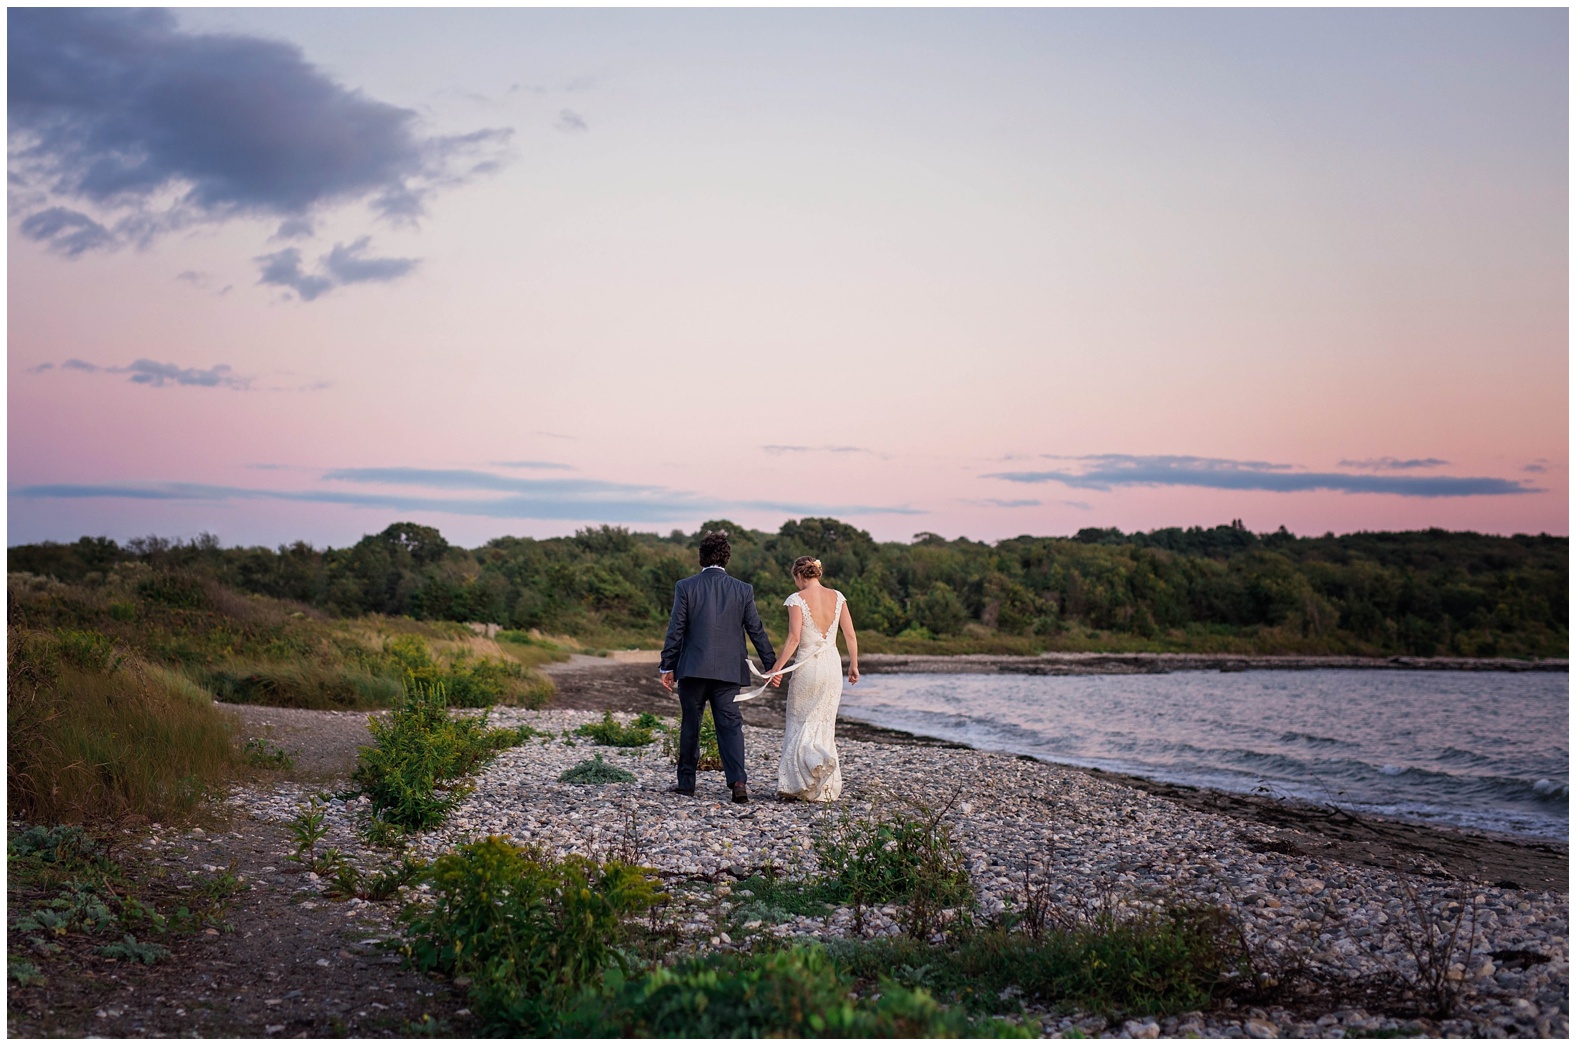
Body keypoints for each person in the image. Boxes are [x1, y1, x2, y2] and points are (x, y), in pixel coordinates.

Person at [658, 530, 776, 803]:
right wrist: (770, 665)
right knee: (730, 726)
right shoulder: (743, 589)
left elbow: (676, 629)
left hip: (693, 669)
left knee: (691, 724)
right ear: (726, 558)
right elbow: (755, 630)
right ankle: (738, 783)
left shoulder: (685, 586)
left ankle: (687, 784)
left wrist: (667, 665)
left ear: (701, 557)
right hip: (728, 671)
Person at [763, 556, 859, 802]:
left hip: (808, 667)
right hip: (832, 666)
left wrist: (776, 669)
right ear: (818, 573)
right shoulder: (838, 597)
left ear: (799, 576)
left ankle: (800, 782)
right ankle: (824, 785)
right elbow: (849, 634)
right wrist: (854, 665)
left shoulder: (796, 600)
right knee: (823, 721)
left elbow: (794, 639)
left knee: (800, 720)